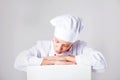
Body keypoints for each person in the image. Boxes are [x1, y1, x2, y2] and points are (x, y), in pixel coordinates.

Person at [14, 14, 106, 72]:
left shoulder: (80, 47)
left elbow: (101, 63)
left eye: (65, 46)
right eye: (57, 41)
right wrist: (51, 61)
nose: (59, 48)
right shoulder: (42, 47)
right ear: (54, 38)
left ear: (72, 43)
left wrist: (67, 58)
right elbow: (19, 61)